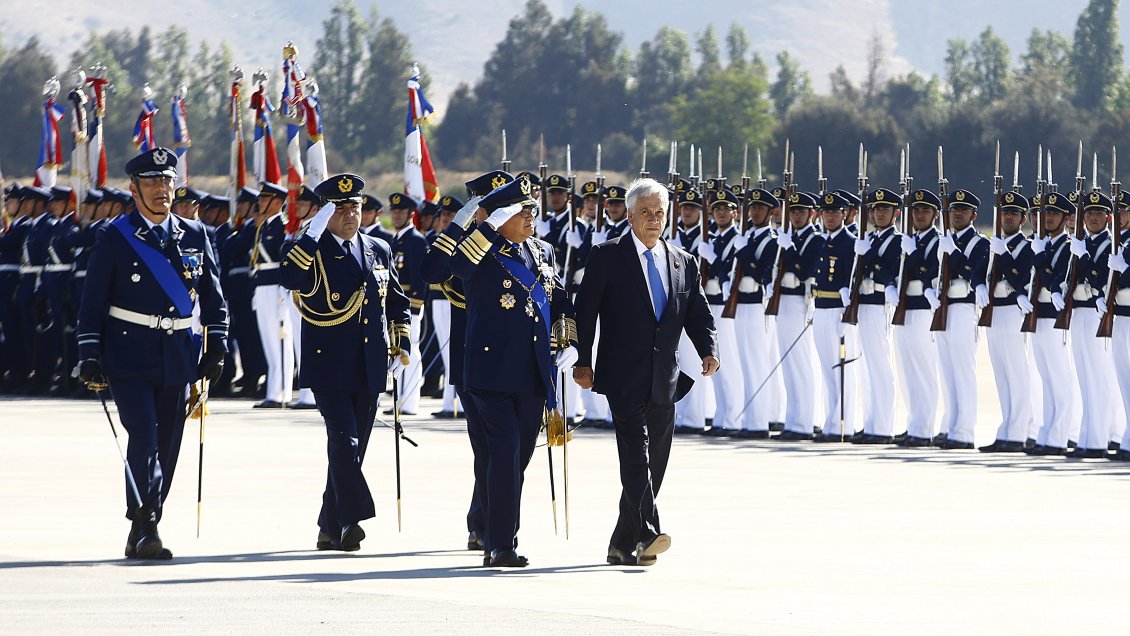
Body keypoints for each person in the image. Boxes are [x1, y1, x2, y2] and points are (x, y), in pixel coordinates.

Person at [75, 147, 228, 560]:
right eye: (151, 182)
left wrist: (218, 346)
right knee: (143, 434)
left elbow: (214, 298)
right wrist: (89, 352)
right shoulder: (115, 235)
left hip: (178, 353)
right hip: (128, 353)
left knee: (169, 444)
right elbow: (92, 302)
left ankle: (146, 519)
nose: (161, 189)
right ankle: (146, 524)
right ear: (134, 189)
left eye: (166, 181)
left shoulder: (195, 234)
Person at [573, 177, 718, 567]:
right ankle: (649, 530)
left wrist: (708, 350)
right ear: (630, 215)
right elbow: (585, 313)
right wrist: (582, 360)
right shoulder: (607, 256)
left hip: (664, 378)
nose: (654, 220)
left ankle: (623, 543)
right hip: (621, 375)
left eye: (659, 213)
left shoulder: (683, 261)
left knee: (656, 462)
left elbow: (698, 312)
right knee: (635, 456)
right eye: (646, 213)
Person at [281, 173, 412, 551]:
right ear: (325, 213)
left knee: (356, 447)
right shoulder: (312, 248)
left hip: (369, 362)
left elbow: (397, 303)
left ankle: (329, 524)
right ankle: (351, 519)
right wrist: (310, 233)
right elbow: (289, 276)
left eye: (354, 206)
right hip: (329, 362)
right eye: (340, 208)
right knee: (344, 441)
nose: (350, 214)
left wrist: (400, 342)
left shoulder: (377, 248)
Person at [450, 175, 576, 568]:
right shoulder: (481, 249)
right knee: (503, 455)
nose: (530, 217)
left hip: (533, 371)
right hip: (490, 372)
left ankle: (491, 527)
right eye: (522, 211)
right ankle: (501, 544)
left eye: (532, 210)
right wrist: (484, 225)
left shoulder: (542, 251)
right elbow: (440, 266)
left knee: (517, 459)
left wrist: (568, 338)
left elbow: (559, 298)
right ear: (503, 216)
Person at [978, 191, 1037, 452]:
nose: (1008, 217)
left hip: (1014, 311)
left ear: (1023, 218)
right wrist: (978, 282)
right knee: (1002, 375)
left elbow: (1022, 277)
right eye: (1005, 212)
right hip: (994, 311)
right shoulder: (995, 244)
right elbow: (980, 270)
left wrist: (1005, 256)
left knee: (1017, 374)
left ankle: (1020, 432)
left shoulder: (1026, 247)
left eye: (1014, 213)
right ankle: (1007, 428)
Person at [1026, 192, 1083, 455]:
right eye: (1044, 213)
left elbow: (1055, 280)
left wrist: (1039, 258)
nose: (1047, 218)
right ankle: (1048, 433)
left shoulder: (1068, 247)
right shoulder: (1045, 245)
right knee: (1047, 379)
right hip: (1039, 317)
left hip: (1055, 318)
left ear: (1066, 218)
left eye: (1053, 214)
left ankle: (1060, 436)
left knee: (1060, 380)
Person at [933, 189, 988, 449]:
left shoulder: (980, 244)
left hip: (964, 308)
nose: (957, 214)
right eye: (954, 210)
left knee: (963, 371)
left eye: (963, 211)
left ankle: (964, 431)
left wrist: (953, 253)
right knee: (948, 372)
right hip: (943, 307)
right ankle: (949, 426)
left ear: (973, 215)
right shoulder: (945, 239)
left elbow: (973, 273)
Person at [892, 189, 943, 447]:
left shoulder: (937, 241)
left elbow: (930, 271)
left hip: (924, 309)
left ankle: (924, 428)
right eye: (916, 210)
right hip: (904, 307)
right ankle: (914, 422)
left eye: (925, 211)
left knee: (923, 370)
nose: (919, 215)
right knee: (907, 370)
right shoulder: (909, 239)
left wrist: (912, 255)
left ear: (935, 214)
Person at [852, 188, 901, 444]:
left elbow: (887, 270)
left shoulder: (897, 240)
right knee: (866, 368)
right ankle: (871, 423)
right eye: (876, 209)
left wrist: (868, 255)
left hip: (881, 305)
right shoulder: (870, 239)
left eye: (885, 209)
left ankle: (883, 426)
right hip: (864, 304)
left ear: (896, 213)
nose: (879, 213)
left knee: (881, 366)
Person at [773, 192, 824, 441]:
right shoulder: (788, 236)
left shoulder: (815, 240)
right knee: (789, 364)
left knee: (802, 363)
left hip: (799, 303)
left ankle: (805, 422)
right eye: (793, 212)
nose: (796, 216)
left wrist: (790, 249)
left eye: (801, 212)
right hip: (783, 301)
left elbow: (806, 270)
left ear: (812, 214)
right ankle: (793, 419)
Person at [697, 187, 743, 435]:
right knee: (715, 362)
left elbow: (733, 270)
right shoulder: (713, 238)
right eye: (717, 209)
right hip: (711, 301)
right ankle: (721, 415)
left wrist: (713, 258)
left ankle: (733, 417)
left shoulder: (738, 239)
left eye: (726, 209)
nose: (722, 213)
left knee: (730, 362)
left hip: (727, 304)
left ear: (735, 212)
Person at [385, 192, 429, 415]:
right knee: (398, 351)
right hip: (396, 306)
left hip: (410, 306)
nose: (395, 215)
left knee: (410, 351)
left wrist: (415, 307)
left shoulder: (415, 241)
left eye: (400, 212)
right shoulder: (396, 240)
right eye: (393, 211)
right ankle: (400, 399)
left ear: (410, 214)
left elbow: (420, 278)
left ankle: (410, 402)